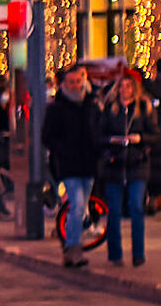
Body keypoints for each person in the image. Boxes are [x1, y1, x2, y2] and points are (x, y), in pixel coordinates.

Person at [97, 64, 155, 270]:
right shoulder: (110, 109)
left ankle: (138, 254)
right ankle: (115, 254)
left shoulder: (144, 108)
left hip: (137, 164)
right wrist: (110, 140)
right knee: (113, 211)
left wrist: (140, 138)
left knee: (136, 207)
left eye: (129, 86)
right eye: (122, 86)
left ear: (135, 87)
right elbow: (99, 136)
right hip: (114, 165)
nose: (125, 90)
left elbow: (155, 136)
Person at [43, 63, 100, 270]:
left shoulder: (91, 105)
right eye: (71, 82)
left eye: (78, 81)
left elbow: (98, 130)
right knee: (76, 205)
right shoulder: (57, 108)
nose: (75, 85)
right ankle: (73, 248)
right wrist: (63, 150)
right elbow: (47, 137)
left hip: (88, 163)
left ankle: (72, 247)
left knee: (81, 207)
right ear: (64, 84)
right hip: (68, 164)